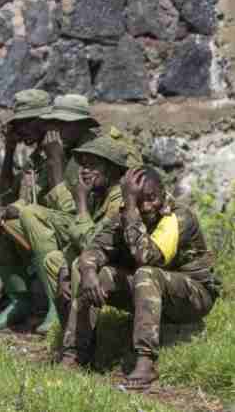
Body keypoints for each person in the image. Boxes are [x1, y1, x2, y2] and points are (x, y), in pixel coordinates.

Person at [60, 167, 220, 390]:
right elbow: (93, 250)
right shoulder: (127, 214)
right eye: (138, 201)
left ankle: (145, 363)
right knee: (95, 272)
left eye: (151, 199)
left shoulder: (178, 217)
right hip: (150, 290)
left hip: (194, 296)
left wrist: (132, 211)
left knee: (145, 273)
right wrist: (87, 273)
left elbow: (146, 257)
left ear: (163, 193)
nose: (146, 206)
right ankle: (75, 354)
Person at [0, 93, 99, 333]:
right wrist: (6, 210)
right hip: (52, 226)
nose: (20, 129)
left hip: (87, 231)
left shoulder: (87, 153)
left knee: (30, 216)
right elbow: (15, 197)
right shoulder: (42, 156)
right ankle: (20, 301)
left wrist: (56, 163)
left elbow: (73, 213)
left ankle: (58, 306)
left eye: (26, 123)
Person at [21, 133, 138, 334]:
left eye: (93, 166)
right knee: (54, 260)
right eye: (83, 165)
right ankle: (68, 327)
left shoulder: (119, 199)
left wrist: (81, 204)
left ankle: (82, 337)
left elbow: (93, 246)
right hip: (100, 264)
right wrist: (63, 272)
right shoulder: (98, 194)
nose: (84, 171)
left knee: (76, 265)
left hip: (123, 274)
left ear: (112, 170)